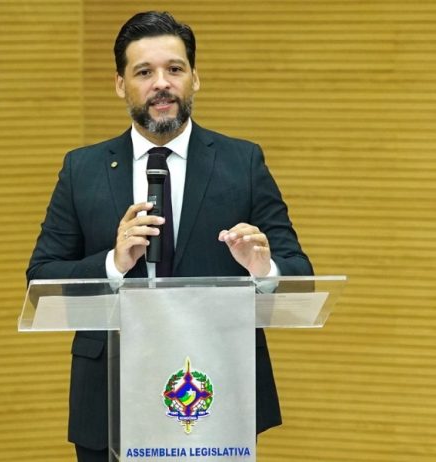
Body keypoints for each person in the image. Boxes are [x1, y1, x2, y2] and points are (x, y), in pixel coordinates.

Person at [27, 11, 313, 462]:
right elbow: (42, 280)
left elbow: (300, 275)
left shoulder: (241, 162)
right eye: (144, 72)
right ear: (120, 84)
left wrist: (265, 269)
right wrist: (112, 264)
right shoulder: (83, 169)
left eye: (174, 69)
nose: (161, 83)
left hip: (218, 388)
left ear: (195, 78)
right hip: (110, 394)